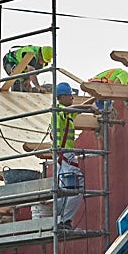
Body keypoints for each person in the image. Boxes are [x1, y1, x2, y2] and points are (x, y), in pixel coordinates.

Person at [51, 82, 98, 229]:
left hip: (62, 156)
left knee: (64, 188)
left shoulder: (67, 114)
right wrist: (90, 108)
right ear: (63, 96)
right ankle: (64, 221)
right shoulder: (59, 110)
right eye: (70, 95)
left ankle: (59, 220)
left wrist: (94, 98)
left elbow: (77, 109)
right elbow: (72, 109)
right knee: (77, 187)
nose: (72, 97)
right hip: (65, 155)